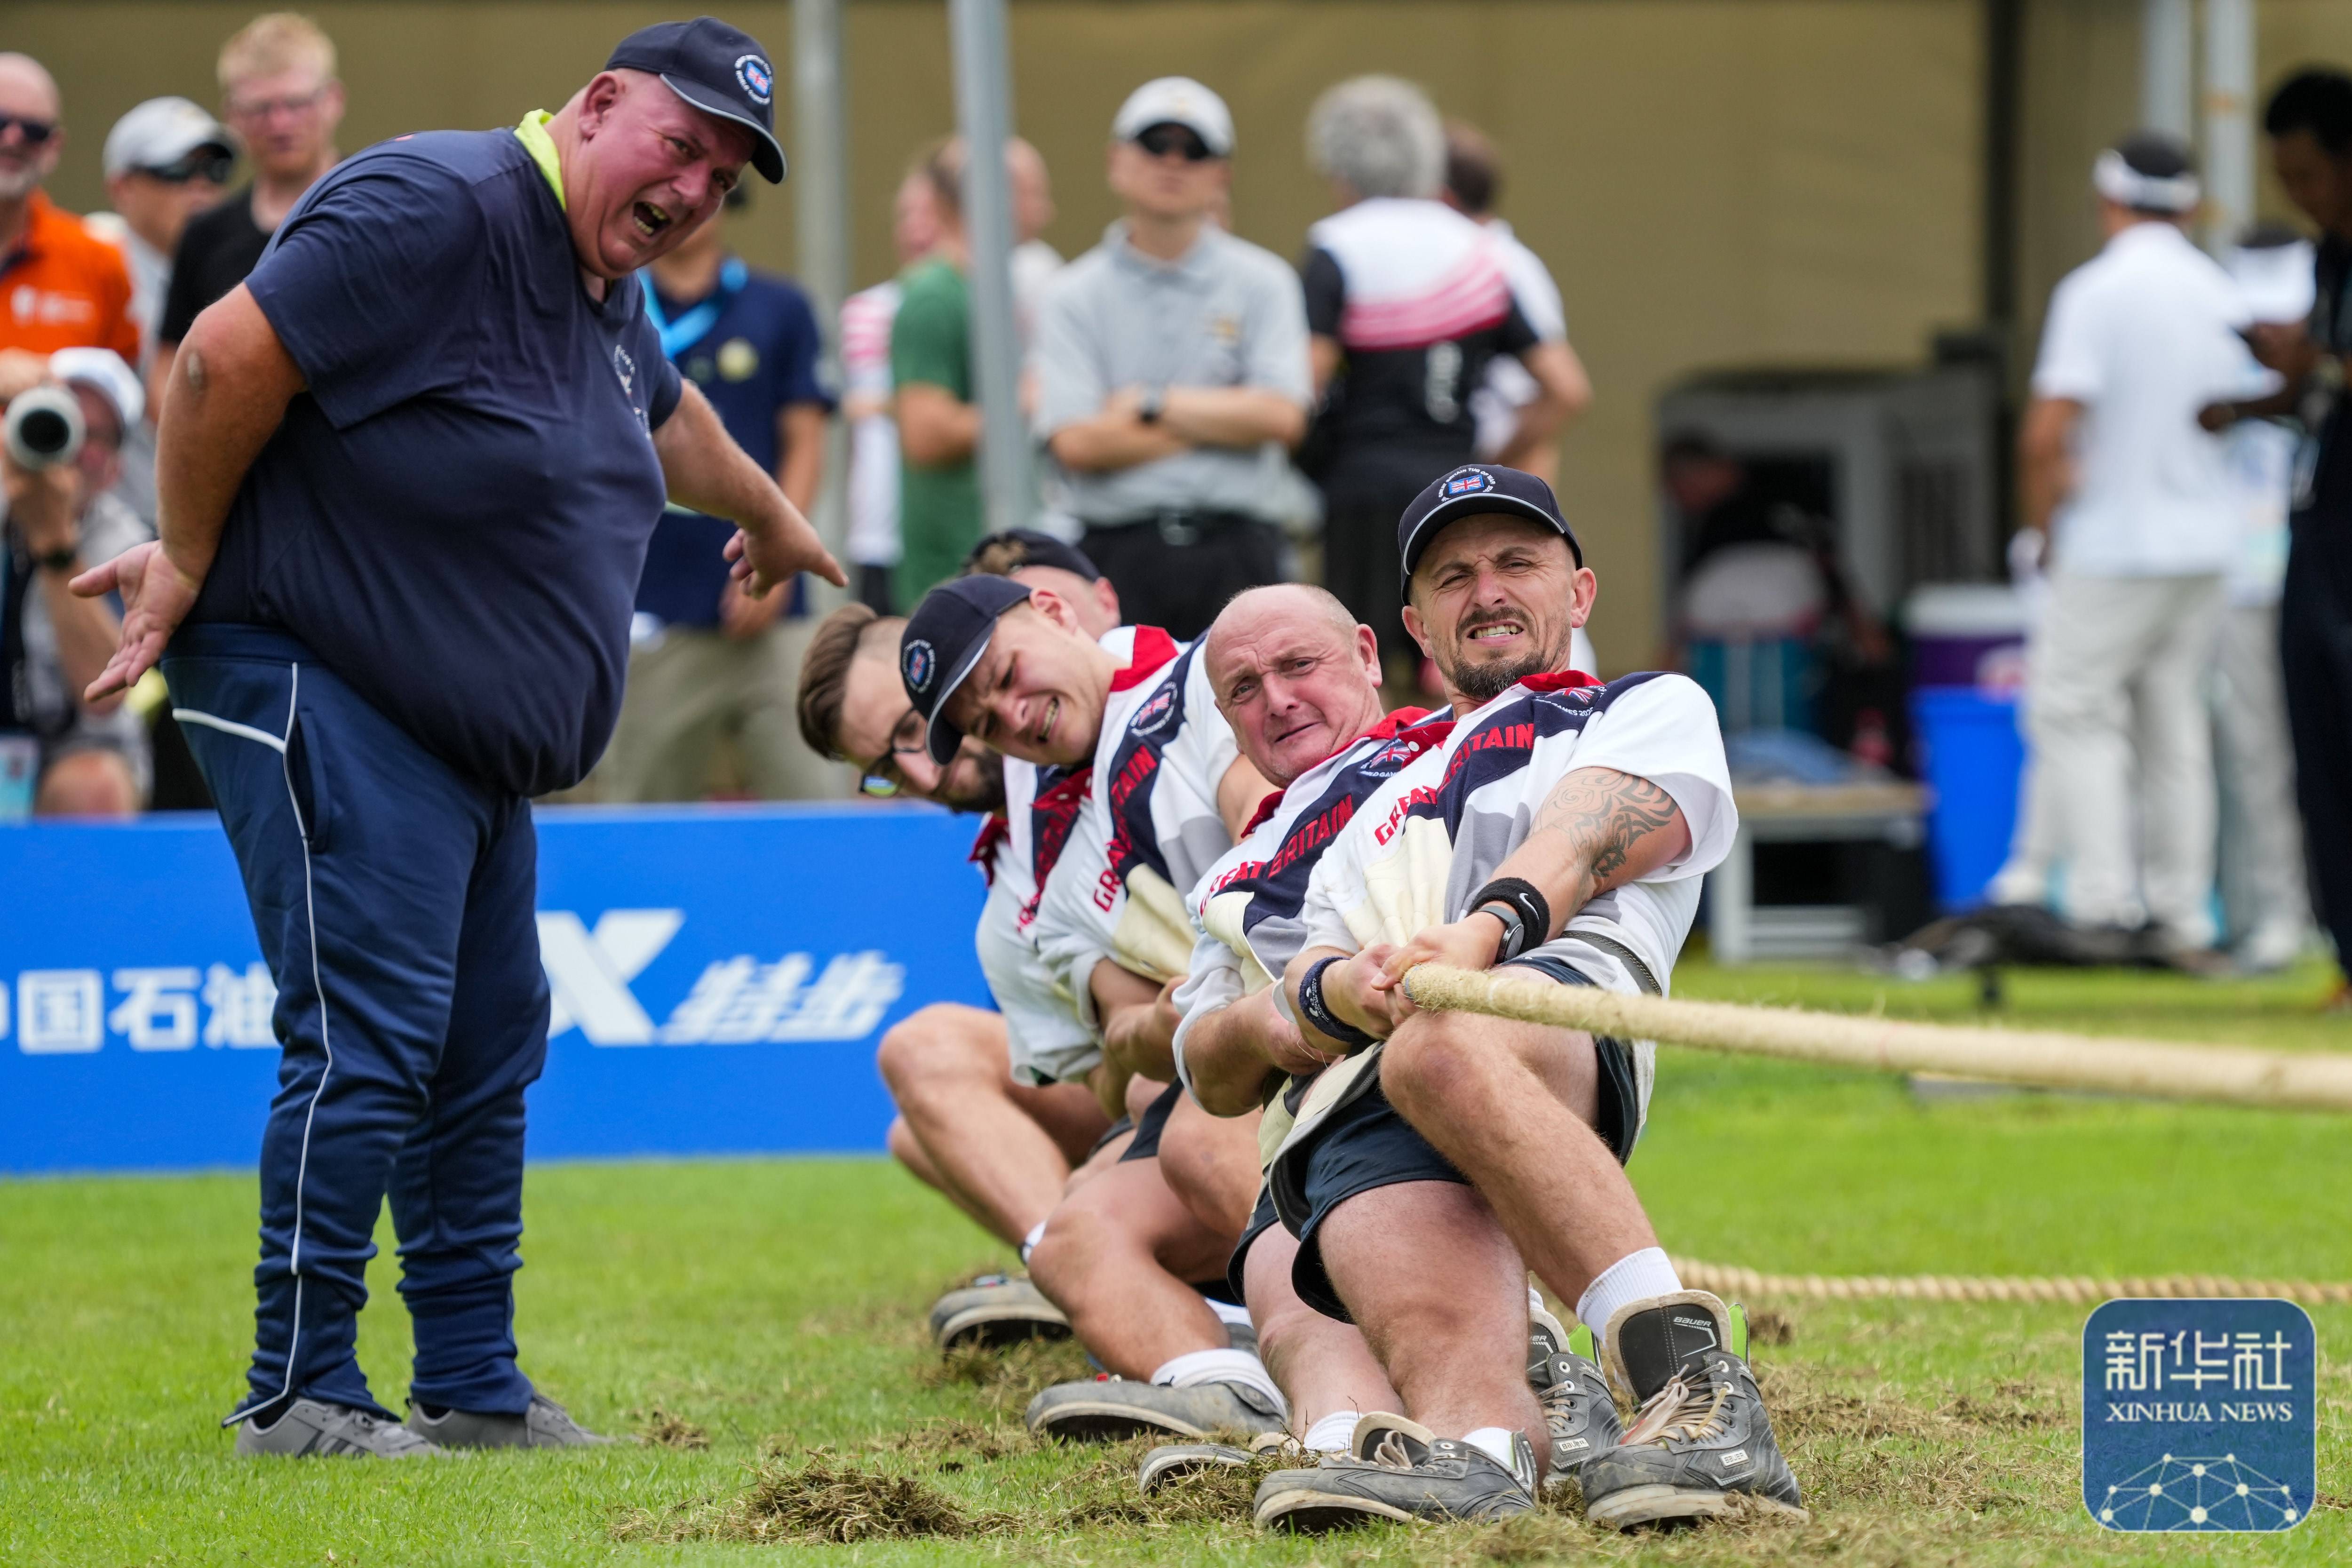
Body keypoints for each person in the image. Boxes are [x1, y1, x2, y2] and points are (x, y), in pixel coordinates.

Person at [74, 17, 839, 1458]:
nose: (693, 191)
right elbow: (221, 358)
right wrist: (180, 551)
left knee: (486, 1042)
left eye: (725, 176)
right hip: (318, 674)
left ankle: (473, 1384)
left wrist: (764, 512)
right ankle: (297, 1390)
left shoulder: (595, 276)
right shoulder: (444, 200)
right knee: (367, 1037)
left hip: (455, 733)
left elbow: (661, 419)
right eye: (681, 144)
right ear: (600, 104)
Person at [1249, 464, 1797, 1531]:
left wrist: (1483, 930)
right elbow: (1309, 956)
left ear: (1578, 593)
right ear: (1415, 622)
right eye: (1453, 575)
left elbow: (1585, 838)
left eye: (1516, 562)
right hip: (1377, 1073)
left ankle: (1705, 1396)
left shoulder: (1637, 707)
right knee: (1344, 1200)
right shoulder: (1370, 791)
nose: (1486, 589)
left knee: (1440, 1047)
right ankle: (1483, 1455)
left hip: (1556, 1009)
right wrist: (1328, 991)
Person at [794, 529, 1120, 1348]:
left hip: (1242, 1086)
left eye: (916, 729)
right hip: (1157, 1093)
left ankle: (1102, 1285)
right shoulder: (1009, 833)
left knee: (929, 1050)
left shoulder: (1117, 727)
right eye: (886, 769)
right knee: (920, 1128)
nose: (927, 777)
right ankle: (1097, 1273)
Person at [1996, 134, 2248, 955]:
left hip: (2115, 540)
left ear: (2111, 201)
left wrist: (2042, 531)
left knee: (2072, 710)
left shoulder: (2097, 291)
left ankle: (2103, 900)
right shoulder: (2221, 290)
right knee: (2176, 724)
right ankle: (2182, 912)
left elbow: (2046, 434)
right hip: (2206, 543)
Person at [1298, 76, 1587, 680]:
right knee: (1456, 663)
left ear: (1337, 168)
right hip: (1455, 486)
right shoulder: (1477, 249)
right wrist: (1495, 457)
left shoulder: (1336, 245)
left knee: (1358, 666)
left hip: (1362, 489)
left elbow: (1305, 383)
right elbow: (1565, 388)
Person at [1032, 78, 1312, 638]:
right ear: (1116, 161)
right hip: (1116, 559)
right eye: (1155, 144)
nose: (1173, 162)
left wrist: (1148, 403)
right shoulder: (1071, 294)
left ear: (1221, 174)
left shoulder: (1265, 282)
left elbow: (1282, 418)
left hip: (1239, 552)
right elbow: (1076, 444)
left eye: (1194, 150)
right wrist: (1226, 417)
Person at [597, 183, 836, 803]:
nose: (688, 207)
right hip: (648, 606)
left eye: (712, 192)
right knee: (641, 808)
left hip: (769, 606)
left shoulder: (780, 308)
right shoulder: (609, 305)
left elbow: (806, 442)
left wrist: (777, 562)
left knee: (814, 798)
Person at [2218, 70, 2352, 1000]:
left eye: (2310, 175)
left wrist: (2318, 362)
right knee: (2318, 734)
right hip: (2321, 514)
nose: (2301, 196)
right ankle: (2346, 947)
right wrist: (2260, 393)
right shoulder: (2328, 257)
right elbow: (2322, 386)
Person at [152, 12, 344, 421]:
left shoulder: (377, 210)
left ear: (333, 101)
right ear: (233, 116)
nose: (279, 124)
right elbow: (168, 366)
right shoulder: (206, 233)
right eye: (260, 108)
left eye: (296, 103)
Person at [890, 135, 1056, 608]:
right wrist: (1027, 399)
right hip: (954, 566)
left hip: (999, 550)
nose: (1047, 210)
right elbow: (925, 433)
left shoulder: (997, 288)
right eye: (1032, 192)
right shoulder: (935, 296)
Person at [2213, 227, 2318, 972]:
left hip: (2319, 569)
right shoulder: (2218, 324)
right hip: (2247, 579)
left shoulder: (2324, 306)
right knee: (2259, 758)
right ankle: (2277, 914)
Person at [1, 349, 151, 816]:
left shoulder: (130, 543)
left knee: (94, 789)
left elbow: (104, 695)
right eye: (59, 417)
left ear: (114, 469)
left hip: (73, 749)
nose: (69, 444)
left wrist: (56, 548)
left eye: (94, 434)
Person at [87, 98, 235, 530]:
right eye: (176, 171)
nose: (200, 187)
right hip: (106, 530)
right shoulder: (93, 258)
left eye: (215, 171)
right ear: (123, 188)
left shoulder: (244, 265)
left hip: (209, 528)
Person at [1440, 121, 1591, 486]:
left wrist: (1483, 468)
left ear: (1441, 198)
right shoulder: (1493, 262)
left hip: (1499, 496)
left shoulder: (1503, 267)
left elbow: (1560, 394)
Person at [841, 171, 945, 614]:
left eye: (932, 214)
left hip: (952, 534)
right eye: (906, 215)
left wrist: (891, 406)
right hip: (879, 539)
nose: (917, 228)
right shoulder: (863, 311)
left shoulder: (983, 307)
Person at [0, 54, 141, 363]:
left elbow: (125, 390)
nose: (13, 139)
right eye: (0, 121)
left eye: (33, 130)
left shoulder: (99, 259)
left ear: (54, 146)